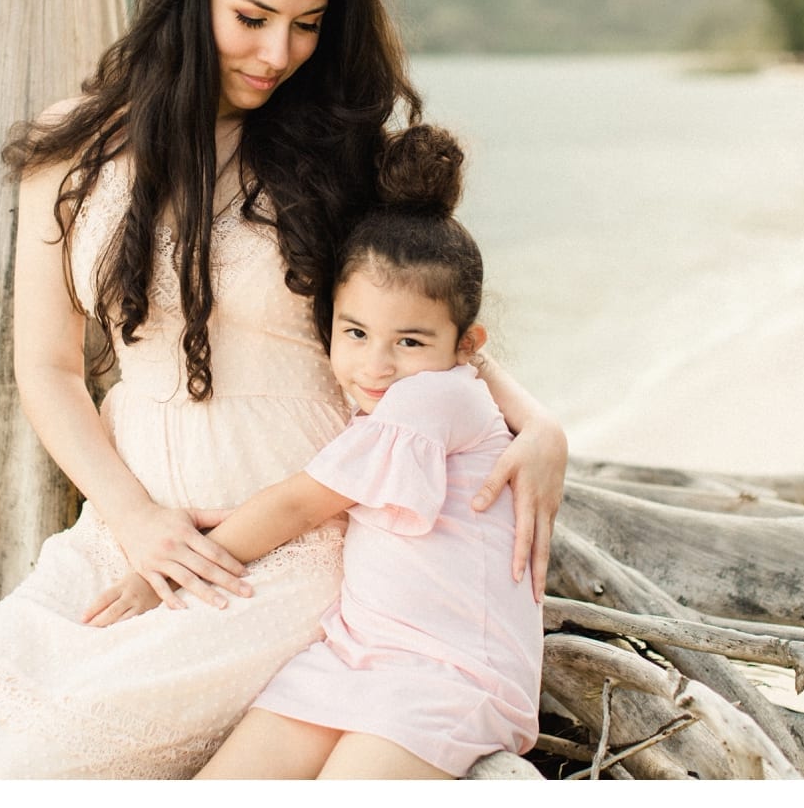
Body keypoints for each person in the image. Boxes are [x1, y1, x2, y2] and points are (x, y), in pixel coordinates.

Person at [0, 0, 564, 780]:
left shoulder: (337, 149)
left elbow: (424, 318)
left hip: (297, 551)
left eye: (306, 26)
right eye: (251, 18)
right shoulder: (73, 149)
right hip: (126, 536)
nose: (278, 53)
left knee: (35, 768)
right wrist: (132, 518)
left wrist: (540, 421)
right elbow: (46, 367)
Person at [85, 124, 542, 779]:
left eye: (410, 342)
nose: (376, 364)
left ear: (468, 345)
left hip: (449, 669)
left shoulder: (434, 399)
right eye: (355, 332)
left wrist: (161, 574)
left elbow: (300, 502)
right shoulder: (403, 400)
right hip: (357, 653)